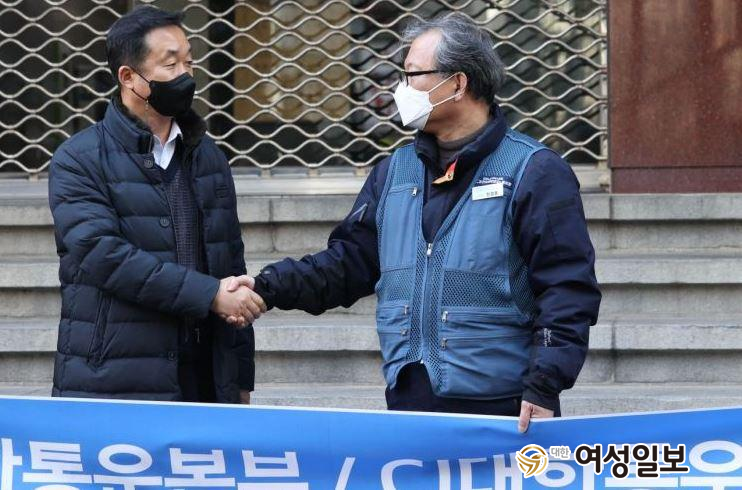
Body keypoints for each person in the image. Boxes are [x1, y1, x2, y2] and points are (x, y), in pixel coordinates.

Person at [232, 13, 601, 431]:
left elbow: (567, 290)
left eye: (413, 75)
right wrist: (266, 287)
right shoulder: (395, 172)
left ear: (457, 84)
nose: (401, 89)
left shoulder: (533, 171)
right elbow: (347, 264)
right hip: (410, 406)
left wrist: (544, 384)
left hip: (504, 411)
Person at [48, 6, 265, 403]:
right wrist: (210, 295)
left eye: (189, 62)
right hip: (114, 377)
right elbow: (105, 256)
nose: (185, 74)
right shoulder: (79, 159)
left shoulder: (208, 157)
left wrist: (239, 380)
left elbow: (230, 264)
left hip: (203, 376)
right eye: (170, 64)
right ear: (128, 77)